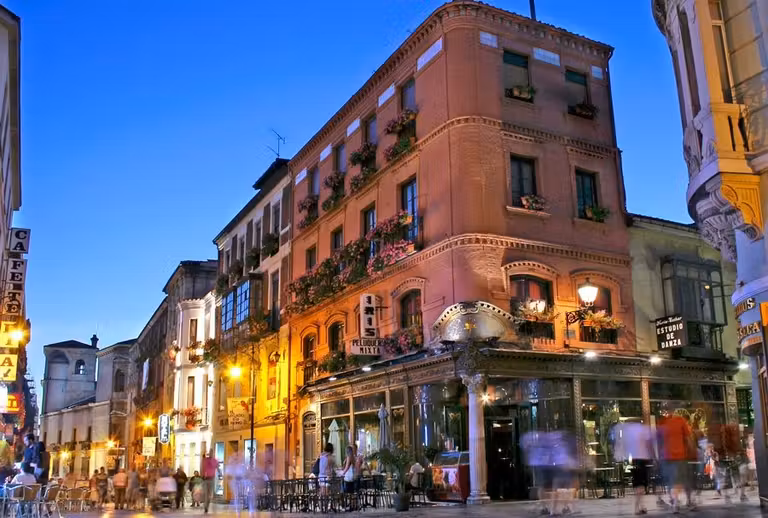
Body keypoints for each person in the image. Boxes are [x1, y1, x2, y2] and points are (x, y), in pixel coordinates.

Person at [659, 411, 693, 514]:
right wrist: (691, 450)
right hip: (679, 455)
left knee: (671, 480)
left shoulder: (662, 422)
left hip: (666, 456)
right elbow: (688, 438)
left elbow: (659, 441)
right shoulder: (680, 421)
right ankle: (677, 503)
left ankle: (674, 500)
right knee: (679, 480)